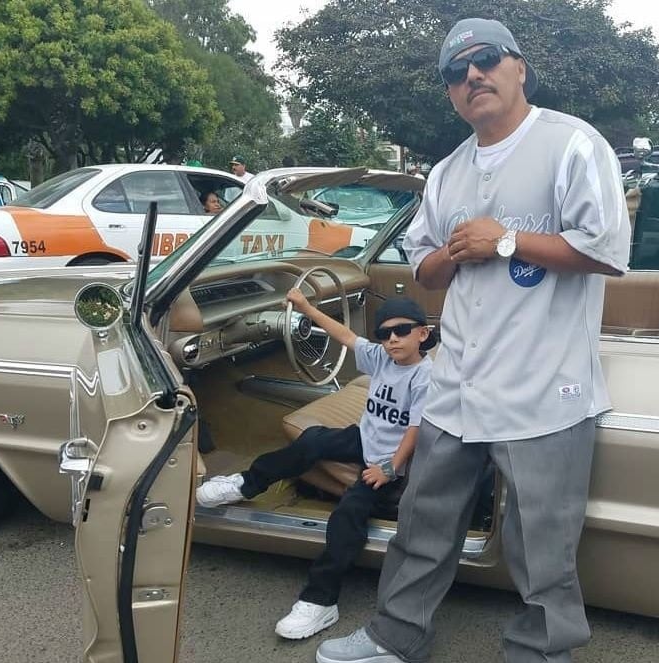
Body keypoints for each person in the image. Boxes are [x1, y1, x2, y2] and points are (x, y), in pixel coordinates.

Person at [317, 16, 630, 663]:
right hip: (456, 380)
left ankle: (540, 652)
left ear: (518, 67)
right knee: (423, 521)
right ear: (450, 92)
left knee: (541, 545)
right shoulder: (446, 172)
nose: (472, 75)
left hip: (544, 385)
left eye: (485, 59)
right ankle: (396, 634)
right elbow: (425, 269)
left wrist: (505, 241)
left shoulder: (571, 144)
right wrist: (455, 253)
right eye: (456, 71)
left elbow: (606, 250)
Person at [196, 293, 434, 641]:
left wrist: (389, 468)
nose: (392, 339)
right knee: (310, 441)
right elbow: (346, 336)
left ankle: (320, 600)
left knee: (348, 514)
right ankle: (246, 483)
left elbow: (416, 429)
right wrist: (307, 309)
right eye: (384, 334)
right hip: (365, 437)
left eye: (402, 331)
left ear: (422, 334)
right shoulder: (381, 357)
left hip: (388, 459)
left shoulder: (424, 377)